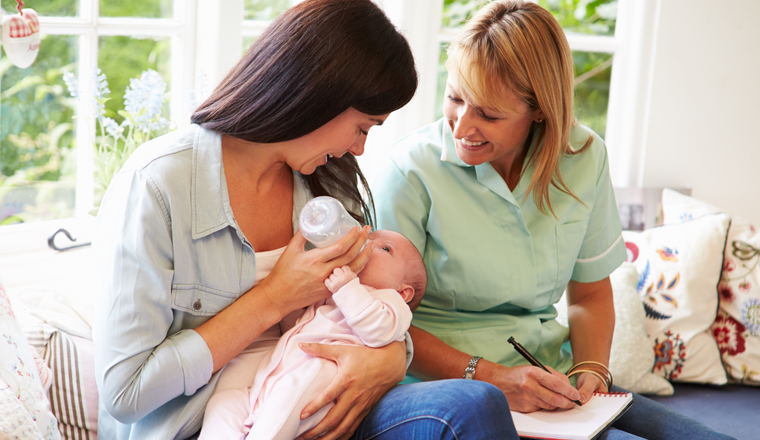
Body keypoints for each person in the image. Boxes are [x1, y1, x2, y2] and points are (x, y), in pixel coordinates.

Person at [93, 1, 517, 439]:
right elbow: (126, 393)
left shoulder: (328, 183)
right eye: (363, 127)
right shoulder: (158, 186)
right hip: (215, 422)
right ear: (320, 95)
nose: (359, 149)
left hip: (321, 407)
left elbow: (377, 303)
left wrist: (390, 359)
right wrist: (273, 298)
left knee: (473, 406)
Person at [372, 1, 735, 439]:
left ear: (539, 110)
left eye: (488, 113)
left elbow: (588, 295)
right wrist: (493, 378)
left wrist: (592, 373)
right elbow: (385, 322)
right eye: (454, 98)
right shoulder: (409, 171)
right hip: (443, 387)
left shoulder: (584, 158)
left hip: (548, 378)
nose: (462, 125)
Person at [199, 230, 427, 440]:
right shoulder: (336, 288)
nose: (368, 244)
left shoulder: (391, 302)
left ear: (403, 291)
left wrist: (347, 287)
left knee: (282, 409)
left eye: (385, 249)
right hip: (273, 377)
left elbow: (379, 331)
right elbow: (295, 319)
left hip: (318, 380)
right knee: (224, 402)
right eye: (370, 237)